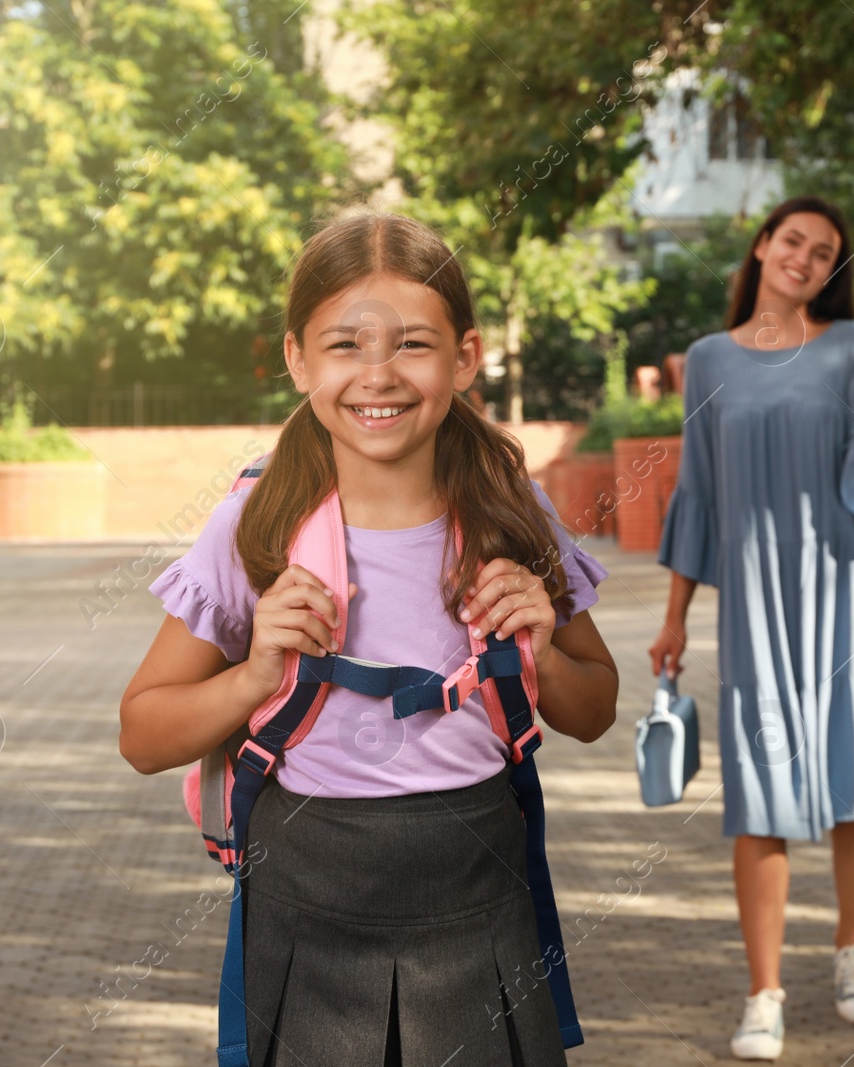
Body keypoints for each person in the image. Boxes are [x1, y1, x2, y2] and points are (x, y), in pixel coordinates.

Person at [119, 213, 619, 1066]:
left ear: (465, 357)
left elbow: (596, 707)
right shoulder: (257, 524)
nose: (378, 375)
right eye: (346, 344)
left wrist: (539, 637)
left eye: (413, 345)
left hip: (479, 894)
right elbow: (141, 734)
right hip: (307, 905)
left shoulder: (509, 512)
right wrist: (252, 676)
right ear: (298, 359)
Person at [648, 196, 854, 1060]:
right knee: (759, 791)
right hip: (755, 598)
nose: (805, 258)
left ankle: (851, 950)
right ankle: (765, 990)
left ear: (830, 272)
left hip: (851, 587)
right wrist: (672, 618)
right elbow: (696, 492)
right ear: (764, 246)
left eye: (824, 253)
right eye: (794, 241)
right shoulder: (707, 359)